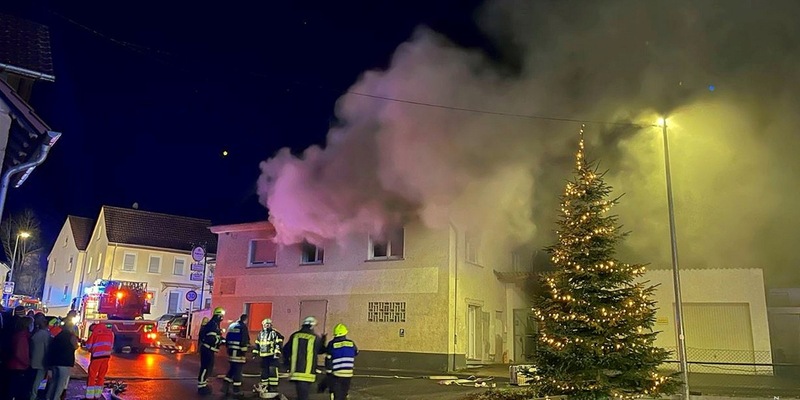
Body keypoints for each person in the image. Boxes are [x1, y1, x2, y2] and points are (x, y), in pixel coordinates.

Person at [283, 316, 326, 400]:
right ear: (311, 326)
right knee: (304, 395)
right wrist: (323, 341)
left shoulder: (295, 335)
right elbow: (321, 350)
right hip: (308, 372)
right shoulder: (315, 337)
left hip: (295, 371)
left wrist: (287, 363)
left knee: (300, 393)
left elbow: (285, 350)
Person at [45, 317, 79, 400]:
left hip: (54, 362)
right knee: (60, 384)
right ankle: (56, 398)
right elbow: (75, 346)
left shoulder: (58, 336)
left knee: (53, 381)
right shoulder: (71, 336)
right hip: (64, 363)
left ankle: (48, 397)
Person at [325, 323, 358, 400]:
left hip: (337, 374)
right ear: (345, 333)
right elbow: (356, 353)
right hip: (348, 374)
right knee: (344, 393)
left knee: (337, 394)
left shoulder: (332, 344)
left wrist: (328, 371)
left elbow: (328, 358)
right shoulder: (351, 343)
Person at [252, 318, 284, 394]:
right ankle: (265, 386)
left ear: (271, 325)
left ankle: (273, 387)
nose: (267, 326)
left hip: (272, 356)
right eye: (265, 324)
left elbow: (278, 343)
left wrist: (277, 353)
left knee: (273, 372)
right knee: (264, 372)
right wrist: (255, 353)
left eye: (268, 324)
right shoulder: (260, 334)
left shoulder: (274, 333)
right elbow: (257, 344)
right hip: (263, 356)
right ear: (263, 325)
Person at [198, 308, 224, 395]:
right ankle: (201, 386)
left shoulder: (214, 324)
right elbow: (211, 339)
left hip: (209, 349)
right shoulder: (213, 325)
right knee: (205, 367)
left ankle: (204, 384)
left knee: (208, 367)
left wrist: (223, 340)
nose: (222, 318)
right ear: (218, 316)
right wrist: (220, 341)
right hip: (207, 349)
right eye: (221, 316)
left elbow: (216, 336)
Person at [222, 314, 250, 398]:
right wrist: (244, 351)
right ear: (245, 320)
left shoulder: (232, 326)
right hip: (238, 352)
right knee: (238, 371)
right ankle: (236, 390)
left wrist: (228, 348)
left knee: (232, 369)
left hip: (231, 351)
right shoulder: (243, 327)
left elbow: (227, 338)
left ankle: (225, 386)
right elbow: (244, 340)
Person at [85, 323, 114, 399]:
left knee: (92, 376)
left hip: (97, 356)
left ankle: (89, 396)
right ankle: (97, 395)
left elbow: (88, 346)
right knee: (101, 376)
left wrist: (91, 349)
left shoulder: (95, 332)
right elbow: (111, 345)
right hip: (106, 356)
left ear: (93, 328)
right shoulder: (110, 332)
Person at [8, 316, 33, 400]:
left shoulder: (20, 335)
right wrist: (27, 363)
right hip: (19, 367)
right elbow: (20, 353)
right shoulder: (22, 337)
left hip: (16, 365)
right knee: (18, 390)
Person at [30, 314, 51, 400]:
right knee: (38, 382)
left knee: (34, 381)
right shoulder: (46, 335)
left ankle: (32, 395)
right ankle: (34, 396)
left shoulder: (35, 334)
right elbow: (47, 349)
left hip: (33, 361)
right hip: (42, 362)